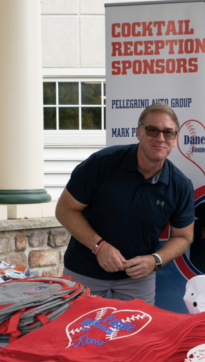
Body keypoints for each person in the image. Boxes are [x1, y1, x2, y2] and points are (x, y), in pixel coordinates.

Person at [56, 103, 195, 305]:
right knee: (76, 333)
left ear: (176, 139)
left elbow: (184, 236)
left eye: (168, 133)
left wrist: (155, 260)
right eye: (152, 130)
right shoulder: (101, 164)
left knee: (138, 335)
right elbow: (64, 210)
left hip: (138, 279)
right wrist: (99, 247)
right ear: (138, 132)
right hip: (84, 272)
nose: (160, 138)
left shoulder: (180, 185)